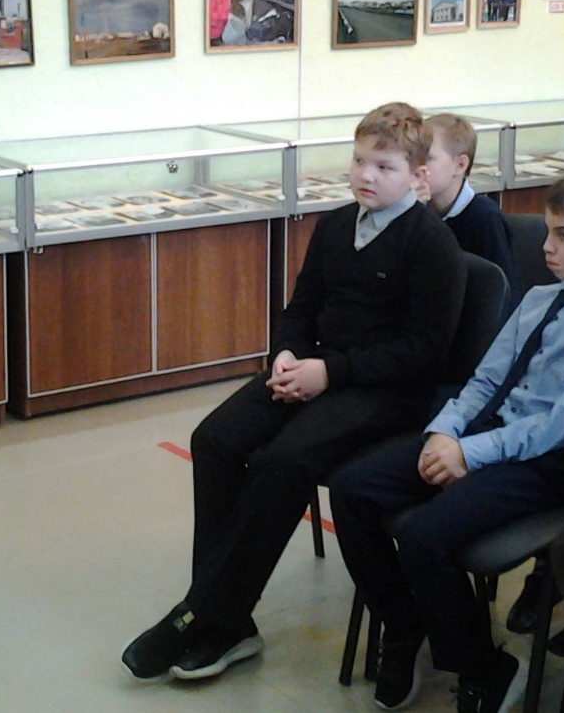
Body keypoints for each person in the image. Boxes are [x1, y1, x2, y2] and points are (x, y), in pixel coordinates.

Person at [121, 103, 466, 684]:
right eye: (359, 161)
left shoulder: (432, 245)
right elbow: (301, 308)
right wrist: (285, 353)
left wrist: (329, 373)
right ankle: (227, 617)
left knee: (284, 461)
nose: (366, 175)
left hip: (385, 392)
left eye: (384, 167)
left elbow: (425, 353)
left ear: (417, 175)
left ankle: (203, 613)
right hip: (314, 367)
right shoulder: (334, 226)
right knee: (215, 439)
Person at [329, 170, 564, 713]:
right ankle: (405, 625)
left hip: (559, 464)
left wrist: (470, 453)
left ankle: (484, 666)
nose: (546, 246)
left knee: (426, 536)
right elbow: (485, 380)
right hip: (490, 433)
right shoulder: (540, 298)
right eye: (548, 232)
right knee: (352, 489)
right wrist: (444, 432)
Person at [419, 113, 519, 305]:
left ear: (459, 165)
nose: (417, 167)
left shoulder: (485, 218)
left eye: (427, 158)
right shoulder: (420, 211)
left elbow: (505, 293)